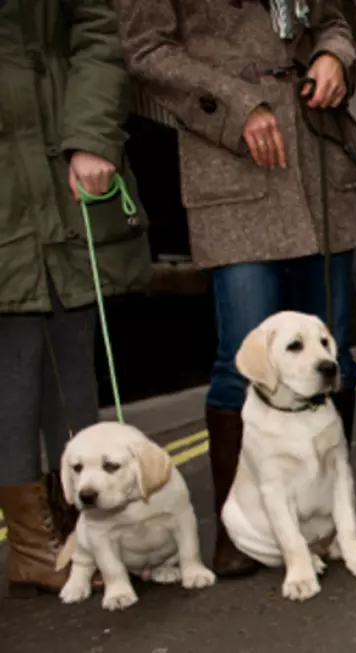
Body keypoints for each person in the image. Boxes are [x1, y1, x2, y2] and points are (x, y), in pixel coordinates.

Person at [116, 0, 356, 577]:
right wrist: (238, 104)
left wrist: (333, 56)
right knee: (242, 359)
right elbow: (145, 49)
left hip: (318, 162)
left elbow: (335, 21)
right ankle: (237, 528)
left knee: (330, 352)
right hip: (232, 160)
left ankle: (330, 521)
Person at [0, 0, 152, 595]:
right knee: (12, 365)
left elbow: (99, 28)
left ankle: (86, 530)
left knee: (71, 353)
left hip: (61, 170)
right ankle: (33, 542)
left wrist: (90, 136)